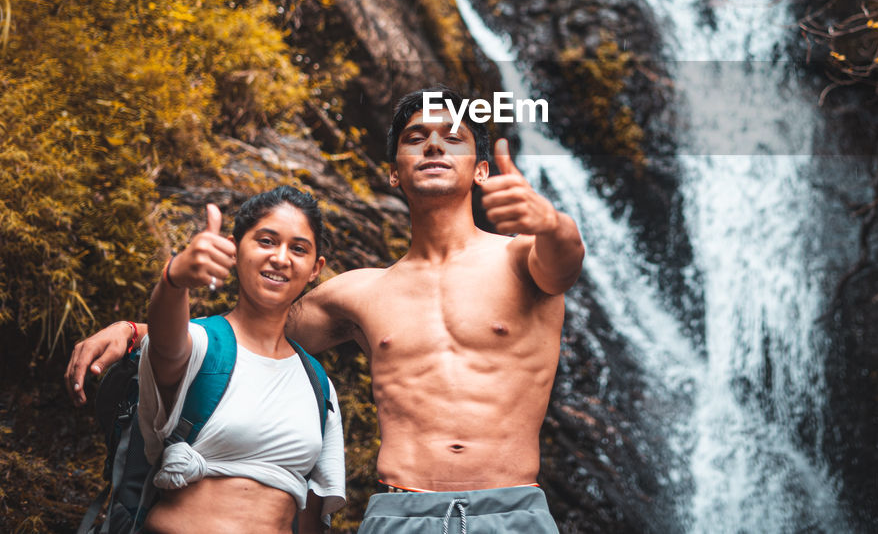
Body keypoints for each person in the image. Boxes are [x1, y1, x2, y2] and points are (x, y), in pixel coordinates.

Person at [67, 86, 585, 533]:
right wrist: (138, 330)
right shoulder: (359, 293)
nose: (432, 143)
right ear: (392, 174)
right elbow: (253, 330)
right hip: (400, 512)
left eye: (453, 137)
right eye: (414, 137)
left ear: (481, 170)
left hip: (512, 509)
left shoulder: (525, 257)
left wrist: (553, 220)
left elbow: (565, 262)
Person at [137, 186, 345, 534]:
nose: (281, 258)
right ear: (235, 249)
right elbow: (165, 345)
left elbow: (311, 510)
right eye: (266, 241)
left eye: (298, 249)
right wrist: (174, 280)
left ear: (315, 268)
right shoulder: (202, 344)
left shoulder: (317, 385)